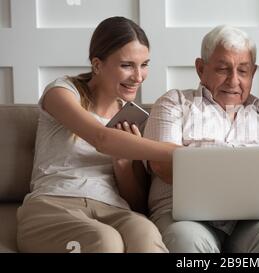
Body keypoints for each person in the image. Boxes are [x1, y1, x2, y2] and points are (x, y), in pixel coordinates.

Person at [144, 25, 259, 253]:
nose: (233, 81)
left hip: (255, 220)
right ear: (201, 69)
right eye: (223, 69)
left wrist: (256, 202)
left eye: (243, 71)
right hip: (184, 219)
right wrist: (247, 189)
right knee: (185, 241)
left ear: (253, 72)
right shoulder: (175, 103)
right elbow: (163, 164)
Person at [16, 16, 175, 253]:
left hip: (112, 209)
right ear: (98, 65)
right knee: (105, 240)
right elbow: (101, 138)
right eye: (127, 65)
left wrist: (122, 165)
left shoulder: (131, 119)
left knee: (146, 233)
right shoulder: (61, 92)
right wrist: (184, 152)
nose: (138, 76)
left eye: (144, 64)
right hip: (54, 205)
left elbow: (136, 202)